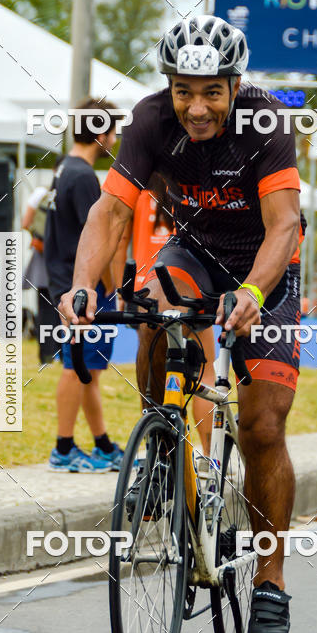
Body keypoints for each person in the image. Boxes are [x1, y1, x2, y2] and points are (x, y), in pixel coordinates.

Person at [60, 15, 304, 633]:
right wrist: (84, 283)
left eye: (212, 92)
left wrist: (252, 291)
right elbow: (110, 210)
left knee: (262, 427)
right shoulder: (148, 121)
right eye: (183, 90)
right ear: (168, 85)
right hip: (194, 252)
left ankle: (271, 579)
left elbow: (284, 225)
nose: (196, 107)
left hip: (264, 264)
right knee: (147, 301)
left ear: (234, 84)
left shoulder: (268, 122)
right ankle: (163, 442)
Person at [45, 98, 123, 473]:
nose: (115, 138)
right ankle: (62, 448)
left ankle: (103, 444)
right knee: (75, 366)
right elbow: (101, 243)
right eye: (112, 130)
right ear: (100, 133)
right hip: (83, 287)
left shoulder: (63, 168)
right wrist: (116, 289)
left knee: (85, 366)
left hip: (63, 281)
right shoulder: (85, 177)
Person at [116, 174, 216, 454]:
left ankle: (155, 448)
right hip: (185, 288)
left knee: (151, 376)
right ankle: (210, 457)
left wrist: (120, 290)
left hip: (146, 292)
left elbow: (122, 238)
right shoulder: (188, 192)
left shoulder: (137, 191)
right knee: (205, 374)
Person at [21, 165, 60, 365]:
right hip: (65, 261)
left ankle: (45, 355)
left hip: (42, 259)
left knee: (45, 309)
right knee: (64, 308)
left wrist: (38, 239)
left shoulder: (41, 192)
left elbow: (26, 222)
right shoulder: (73, 188)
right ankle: (63, 354)